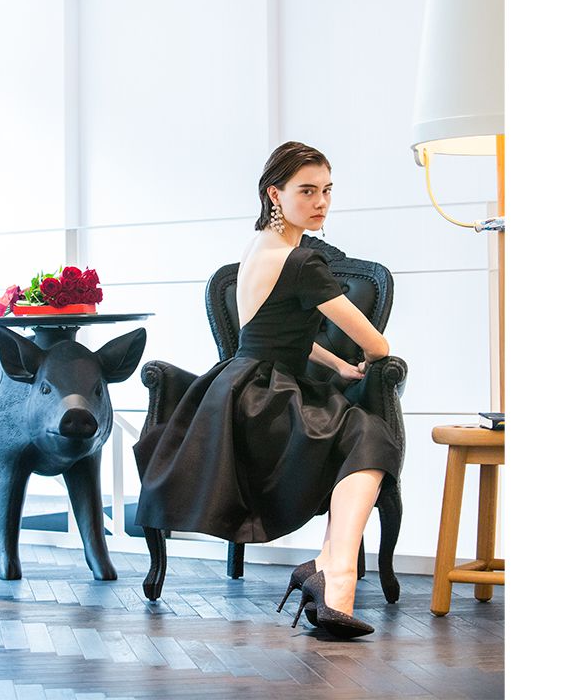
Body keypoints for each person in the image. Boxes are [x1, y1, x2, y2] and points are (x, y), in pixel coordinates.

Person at [133, 141, 402, 639]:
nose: (321, 202)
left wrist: (338, 365)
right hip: (267, 399)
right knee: (372, 437)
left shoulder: (260, 246)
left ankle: (328, 569)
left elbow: (269, 328)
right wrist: (365, 357)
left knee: (357, 434)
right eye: (307, 191)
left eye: (327, 190)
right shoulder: (302, 262)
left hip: (235, 389)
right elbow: (378, 343)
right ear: (275, 194)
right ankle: (337, 574)